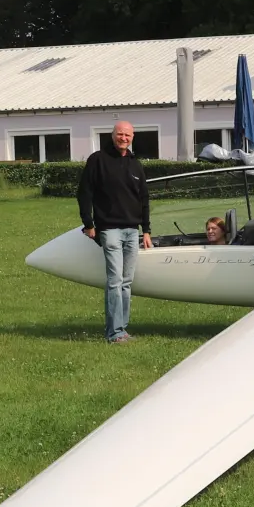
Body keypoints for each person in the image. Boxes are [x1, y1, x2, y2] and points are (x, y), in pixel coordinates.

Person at [77, 121, 153, 343]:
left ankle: (122, 329)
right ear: (112, 135)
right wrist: (88, 223)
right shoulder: (97, 160)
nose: (123, 138)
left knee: (127, 282)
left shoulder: (135, 164)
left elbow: (144, 199)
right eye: (120, 134)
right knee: (115, 281)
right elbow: (84, 193)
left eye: (128, 135)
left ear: (133, 137)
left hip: (132, 231)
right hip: (109, 229)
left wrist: (146, 230)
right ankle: (114, 333)